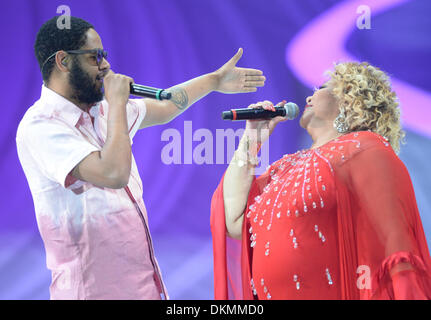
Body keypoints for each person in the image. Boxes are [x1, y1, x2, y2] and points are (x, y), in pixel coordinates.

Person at [16, 16, 266, 300]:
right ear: (63, 61)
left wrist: (214, 80)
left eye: (105, 56)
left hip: (144, 289)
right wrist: (118, 104)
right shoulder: (42, 126)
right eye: (95, 57)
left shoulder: (103, 111)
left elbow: (167, 104)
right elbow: (113, 173)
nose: (106, 66)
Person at [211, 61, 431, 299]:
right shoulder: (282, 169)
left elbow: (395, 243)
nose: (311, 94)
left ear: (352, 101)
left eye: (324, 87)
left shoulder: (365, 148)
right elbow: (232, 221)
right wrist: (251, 137)